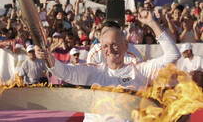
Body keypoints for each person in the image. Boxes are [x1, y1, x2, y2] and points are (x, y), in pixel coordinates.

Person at [34, 10, 181, 122]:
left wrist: (152, 23)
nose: (109, 50)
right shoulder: (92, 71)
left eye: (114, 45)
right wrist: (48, 57)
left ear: (125, 45)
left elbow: (173, 55)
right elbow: (64, 72)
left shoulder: (141, 70)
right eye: (105, 46)